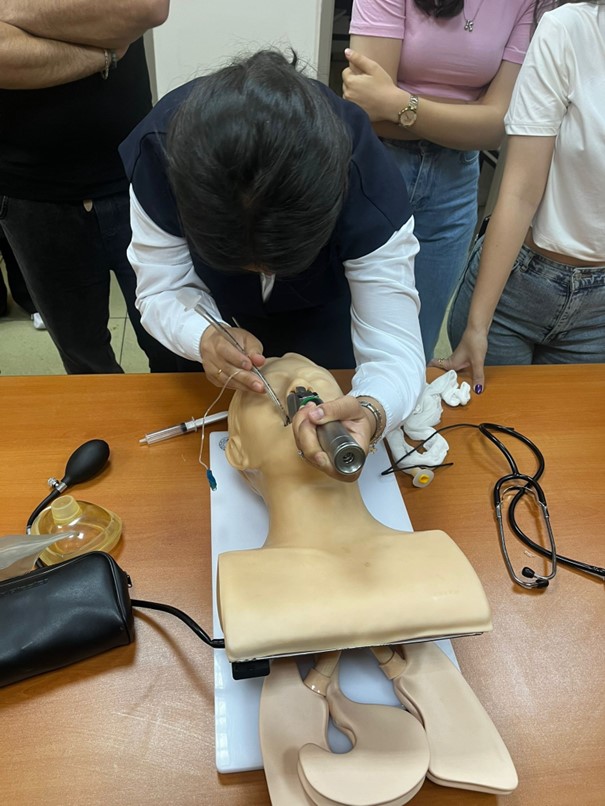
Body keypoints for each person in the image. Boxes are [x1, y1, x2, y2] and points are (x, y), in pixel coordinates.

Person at [120, 49, 427, 476]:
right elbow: (161, 288)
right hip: (215, 328)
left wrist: (374, 408)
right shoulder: (160, 156)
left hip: (325, 311)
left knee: (331, 386)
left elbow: (395, 347)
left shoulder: (365, 179)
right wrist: (201, 335)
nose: (264, 276)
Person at [218, 352, 492, 662]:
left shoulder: (437, 559)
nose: (300, 386)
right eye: (267, 387)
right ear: (237, 452)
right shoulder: (247, 587)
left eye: (318, 381)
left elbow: (393, 345)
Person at [342, 0, 542, 361]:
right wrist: (468, 115)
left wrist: (397, 102)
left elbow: (495, 128)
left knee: (417, 346)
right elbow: (365, 108)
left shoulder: (526, 3)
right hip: (376, 164)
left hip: (456, 182)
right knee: (346, 340)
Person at [0, 1, 194, 373]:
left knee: (178, 347)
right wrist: (107, 53)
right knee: (82, 357)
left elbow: (145, 8)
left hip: (138, 173)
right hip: (30, 190)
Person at [442, 0, 605, 391]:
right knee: (486, 422)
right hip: (518, 286)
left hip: (598, 315)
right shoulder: (567, 30)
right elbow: (519, 193)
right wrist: (478, 326)